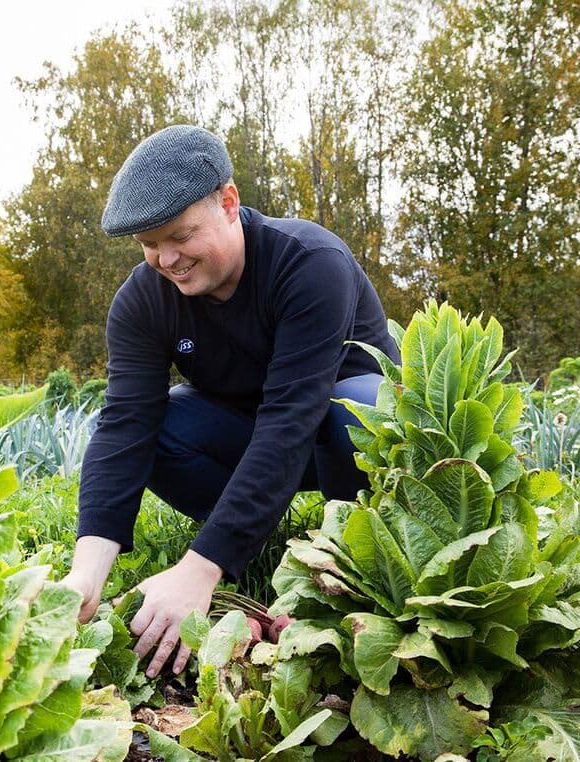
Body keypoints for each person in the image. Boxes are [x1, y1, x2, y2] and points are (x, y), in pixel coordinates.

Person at [60, 124, 400, 678]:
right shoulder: (143, 302)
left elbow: (293, 417)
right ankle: (255, 529)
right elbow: (125, 425)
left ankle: (351, 549)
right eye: (149, 245)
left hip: (344, 438)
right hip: (252, 438)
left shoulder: (309, 263)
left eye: (180, 236)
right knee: (162, 424)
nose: (167, 260)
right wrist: (85, 575)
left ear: (228, 202)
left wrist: (201, 568)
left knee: (354, 406)